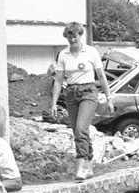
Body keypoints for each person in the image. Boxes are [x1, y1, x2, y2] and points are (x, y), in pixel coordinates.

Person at [49, 22, 116, 180]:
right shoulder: (63, 55)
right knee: (78, 131)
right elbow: (58, 80)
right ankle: (88, 165)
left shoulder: (91, 52)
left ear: (81, 36)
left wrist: (109, 98)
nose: (73, 39)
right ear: (67, 37)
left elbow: (101, 76)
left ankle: (80, 169)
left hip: (88, 92)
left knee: (81, 129)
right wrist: (53, 103)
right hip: (71, 93)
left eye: (76, 36)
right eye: (70, 36)